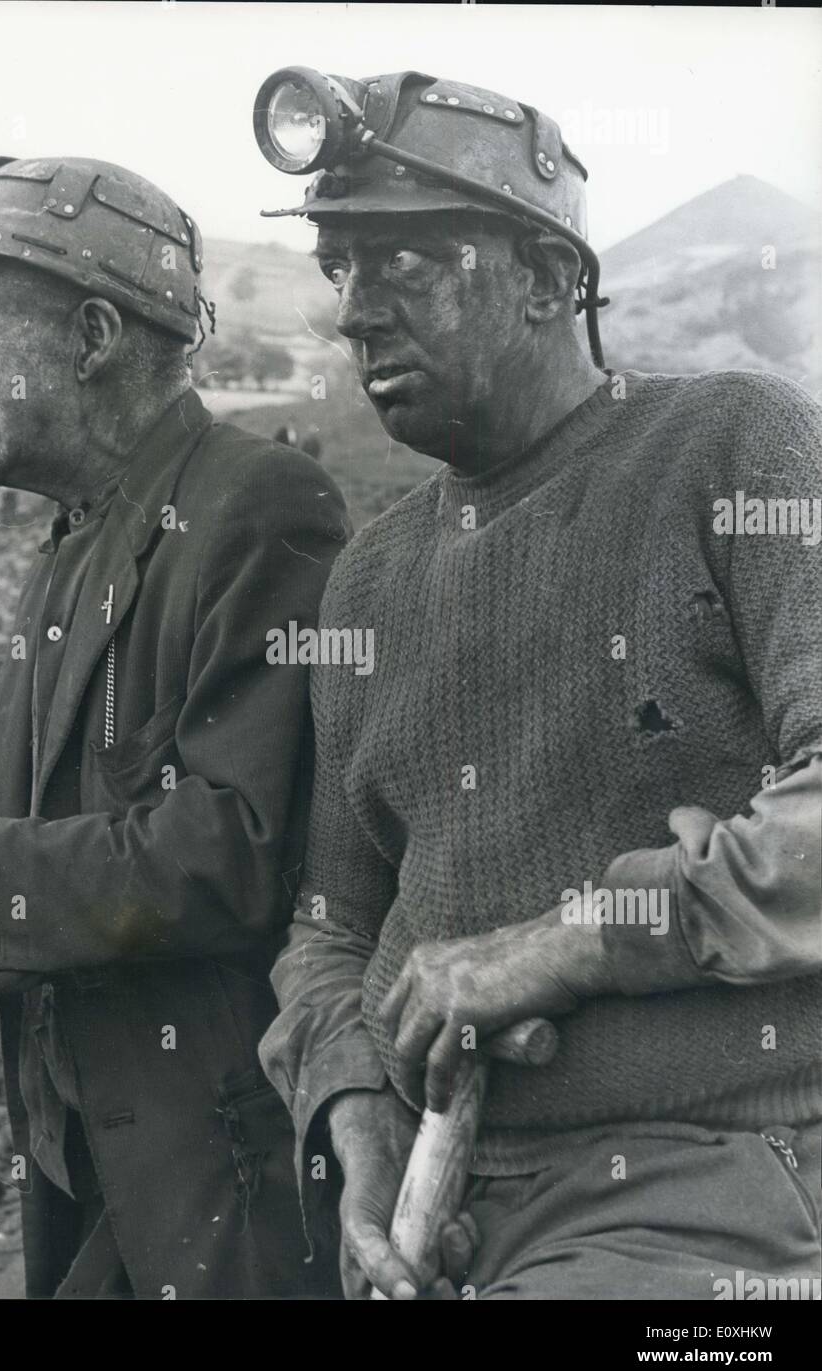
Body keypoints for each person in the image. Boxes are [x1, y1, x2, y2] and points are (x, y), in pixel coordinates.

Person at [251, 69, 822, 1299]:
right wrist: (357, 1120)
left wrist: (572, 938)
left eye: (404, 261)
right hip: (444, 1211)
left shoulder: (733, 447)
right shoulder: (368, 579)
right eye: (341, 266)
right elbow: (328, 930)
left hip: (710, 1198)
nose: (354, 314)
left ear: (550, 279)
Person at [0, 156, 348, 1299]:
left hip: (221, 1191)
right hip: (83, 1174)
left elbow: (231, 851)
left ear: (95, 334)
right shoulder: (67, 549)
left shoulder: (258, 507)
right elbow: (66, 855)